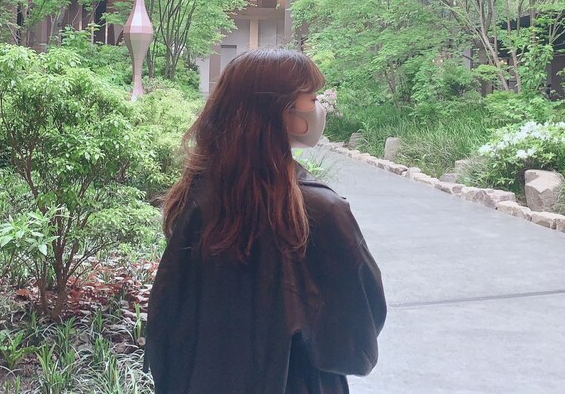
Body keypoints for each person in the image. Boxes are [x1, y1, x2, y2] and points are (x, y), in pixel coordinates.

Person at [146, 49, 386, 394]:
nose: (319, 108)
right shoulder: (320, 210)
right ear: (280, 111)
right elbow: (356, 337)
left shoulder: (196, 198)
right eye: (312, 98)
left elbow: (168, 322)